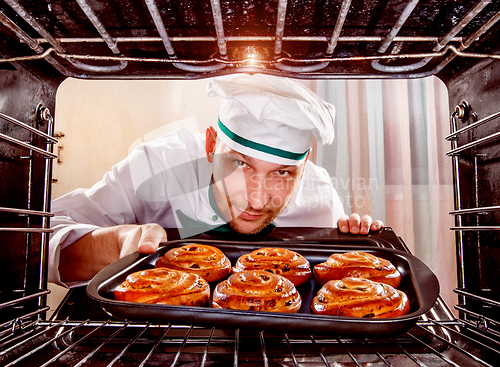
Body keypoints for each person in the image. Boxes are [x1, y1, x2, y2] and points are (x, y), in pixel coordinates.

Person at [49, 74, 383, 287]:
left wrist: (358, 239)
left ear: (304, 166)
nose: (256, 199)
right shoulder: (160, 164)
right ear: (211, 145)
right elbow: (37, 244)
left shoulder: (319, 195)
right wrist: (115, 242)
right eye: (240, 163)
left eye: (282, 173)